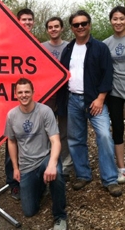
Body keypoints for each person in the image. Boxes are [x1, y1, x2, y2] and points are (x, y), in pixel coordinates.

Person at [58, 9, 122, 197]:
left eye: (83, 23)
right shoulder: (68, 49)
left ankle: (110, 179)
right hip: (73, 99)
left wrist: (101, 98)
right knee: (76, 140)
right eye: (76, 24)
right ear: (72, 28)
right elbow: (61, 75)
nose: (80, 27)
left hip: (95, 100)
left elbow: (107, 74)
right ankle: (83, 174)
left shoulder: (100, 48)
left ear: (89, 25)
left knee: (104, 136)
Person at [4, 78, 67, 230]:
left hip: (44, 158)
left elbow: (56, 141)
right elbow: (11, 142)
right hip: (26, 165)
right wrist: (15, 168)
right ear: (15, 94)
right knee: (29, 211)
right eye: (20, 92)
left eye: (27, 92)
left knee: (57, 173)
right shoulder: (11, 115)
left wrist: (52, 164)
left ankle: (60, 217)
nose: (24, 95)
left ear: (33, 93)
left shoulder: (45, 111)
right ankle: (41, 186)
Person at [5, 8, 35, 200]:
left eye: (30, 20)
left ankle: (35, 180)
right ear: (17, 21)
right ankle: (14, 182)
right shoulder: (9, 43)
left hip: (30, 100)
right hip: (8, 100)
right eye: (23, 19)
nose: (26, 22)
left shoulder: (37, 44)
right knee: (12, 141)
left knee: (34, 141)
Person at [42, 17, 72, 181]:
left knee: (64, 131)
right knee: (46, 132)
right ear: (47, 30)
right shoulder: (41, 48)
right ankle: (46, 163)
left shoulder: (69, 47)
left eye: (56, 26)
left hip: (64, 95)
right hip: (46, 97)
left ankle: (65, 166)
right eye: (50, 27)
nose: (53, 29)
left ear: (62, 29)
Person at [103, 6, 125, 184]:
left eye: (122, 18)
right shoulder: (106, 44)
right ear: (111, 21)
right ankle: (121, 169)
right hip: (115, 93)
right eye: (115, 19)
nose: (118, 22)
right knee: (117, 129)